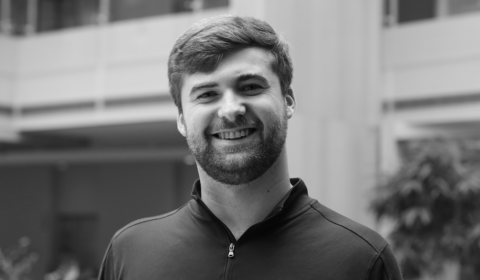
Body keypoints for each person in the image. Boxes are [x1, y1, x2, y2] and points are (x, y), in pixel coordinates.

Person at [98, 15, 403, 280]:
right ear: (181, 119)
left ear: (288, 101)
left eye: (251, 87)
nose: (230, 109)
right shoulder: (130, 251)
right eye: (206, 94)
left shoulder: (361, 259)